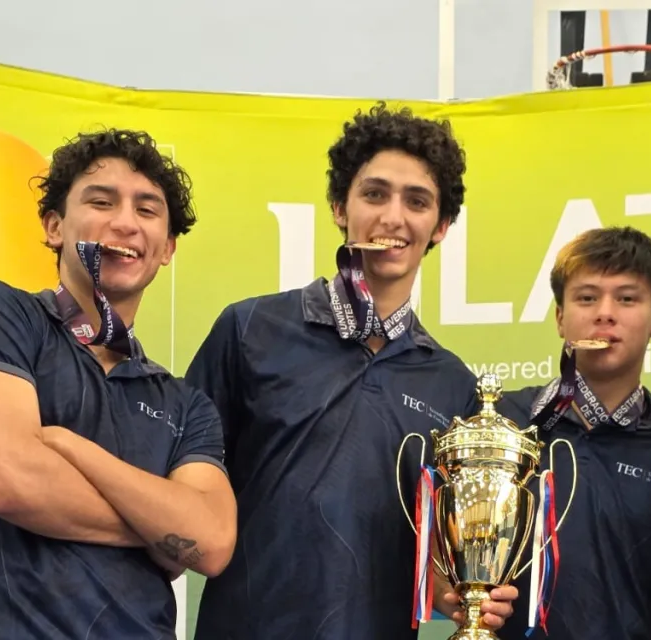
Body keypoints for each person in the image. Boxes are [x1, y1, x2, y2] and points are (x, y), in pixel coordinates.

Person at [184, 102, 516, 639]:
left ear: (442, 227)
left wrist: (462, 590)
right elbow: (182, 492)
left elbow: (432, 554)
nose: (393, 217)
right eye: (374, 194)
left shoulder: (453, 385)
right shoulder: (249, 330)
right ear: (340, 206)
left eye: (418, 201)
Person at [0, 130, 237, 638]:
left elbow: (215, 543)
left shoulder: (185, 404)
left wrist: (65, 445)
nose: (125, 222)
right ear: (54, 227)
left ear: (167, 250)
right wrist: (162, 530)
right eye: (100, 201)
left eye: (147, 210)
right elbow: (5, 479)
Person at [477, 227, 651, 640]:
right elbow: (429, 549)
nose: (605, 312)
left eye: (627, 298)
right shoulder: (499, 422)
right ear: (561, 318)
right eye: (586, 297)